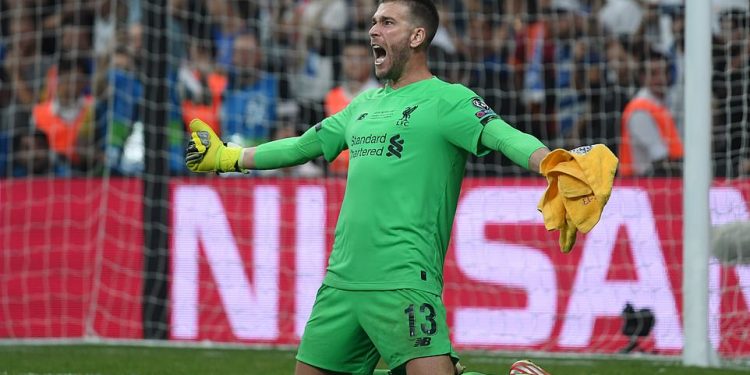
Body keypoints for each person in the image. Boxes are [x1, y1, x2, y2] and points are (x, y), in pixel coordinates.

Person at [185, 1, 552, 374]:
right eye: (374, 22)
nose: (373, 30)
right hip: (341, 281)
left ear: (417, 36)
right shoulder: (361, 106)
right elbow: (300, 146)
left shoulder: (449, 100)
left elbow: (506, 137)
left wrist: (552, 163)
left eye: (387, 23)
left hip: (403, 279)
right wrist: (228, 157)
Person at [618, 50, 683, 177]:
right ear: (642, 78)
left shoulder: (661, 104)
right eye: (654, 74)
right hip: (643, 183)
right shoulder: (640, 110)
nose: (660, 79)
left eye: (664, 73)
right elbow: (660, 158)